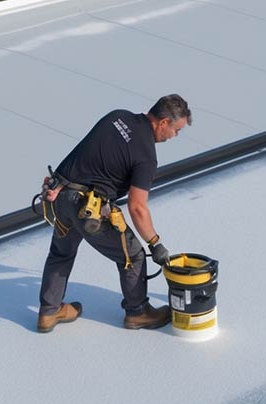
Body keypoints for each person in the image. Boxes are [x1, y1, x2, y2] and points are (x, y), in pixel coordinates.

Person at [36, 94, 191, 332]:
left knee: (61, 253)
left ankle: (49, 311)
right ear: (162, 123)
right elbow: (137, 207)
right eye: (176, 130)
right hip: (87, 208)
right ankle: (138, 312)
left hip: (62, 197)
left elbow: (82, 151)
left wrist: (55, 184)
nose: (175, 136)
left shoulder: (117, 117)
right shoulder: (146, 156)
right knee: (134, 255)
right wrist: (154, 243)